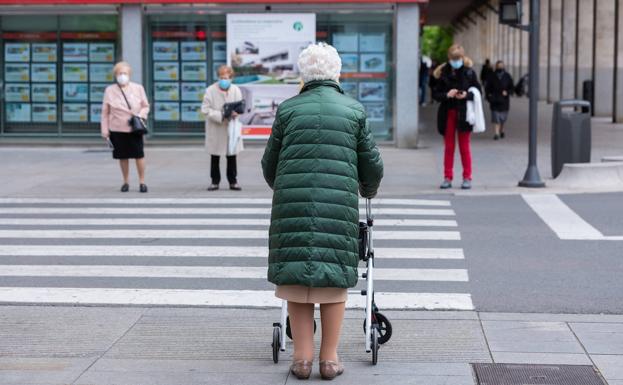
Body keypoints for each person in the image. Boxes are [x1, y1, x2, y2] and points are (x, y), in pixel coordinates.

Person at [261, 42, 383, 381]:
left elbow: (269, 164)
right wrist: (368, 190)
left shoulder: (288, 110)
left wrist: (285, 187)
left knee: (296, 280)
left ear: (304, 74)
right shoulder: (353, 110)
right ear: (336, 73)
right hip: (337, 204)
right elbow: (371, 164)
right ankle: (329, 359)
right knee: (332, 281)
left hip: (293, 204)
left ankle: (301, 359)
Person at [432, 44, 482, 190]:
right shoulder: (442, 73)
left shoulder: (469, 73)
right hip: (447, 113)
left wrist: (466, 95)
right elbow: (435, 94)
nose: (456, 61)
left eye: (458, 58)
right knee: (449, 147)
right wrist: (447, 95)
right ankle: (447, 177)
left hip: (464, 114)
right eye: (453, 59)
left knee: (464, 147)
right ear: (449, 58)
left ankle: (467, 177)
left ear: (462, 57)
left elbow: (478, 92)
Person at [100, 61, 150, 193]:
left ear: (129, 75)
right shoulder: (109, 90)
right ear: (115, 75)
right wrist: (105, 130)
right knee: (123, 156)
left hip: (134, 127)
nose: (122, 75)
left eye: (125, 73)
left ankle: (142, 181)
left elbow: (146, 105)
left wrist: (140, 115)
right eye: (120, 73)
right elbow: (105, 112)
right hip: (117, 128)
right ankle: (126, 181)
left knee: (139, 155)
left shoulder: (138, 88)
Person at [201, 65, 243, 191]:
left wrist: (236, 113)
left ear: (231, 78)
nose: (223, 80)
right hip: (216, 128)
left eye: (226, 77)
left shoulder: (236, 90)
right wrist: (221, 115)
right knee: (215, 156)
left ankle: (233, 181)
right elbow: (205, 109)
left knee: (232, 156)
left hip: (231, 128)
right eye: (221, 77)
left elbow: (240, 106)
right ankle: (215, 181)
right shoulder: (210, 90)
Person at [485, 60, 514, 140]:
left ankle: (501, 130)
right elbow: (487, 88)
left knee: (503, 118)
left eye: (501, 66)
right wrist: (489, 97)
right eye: (498, 66)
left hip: (504, 101)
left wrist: (507, 92)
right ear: (496, 66)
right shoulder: (491, 76)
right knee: (496, 117)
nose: (500, 67)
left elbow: (511, 88)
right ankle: (496, 133)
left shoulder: (507, 76)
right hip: (495, 100)